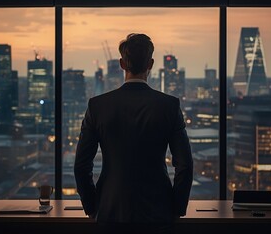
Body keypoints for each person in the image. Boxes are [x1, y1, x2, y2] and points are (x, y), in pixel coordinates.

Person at [74, 33, 193, 234]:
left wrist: (92, 207)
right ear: (151, 63)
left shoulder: (98, 106)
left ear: (121, 64)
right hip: (158, 213)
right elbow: (185, 165)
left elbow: (81, 165)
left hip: (110, 211)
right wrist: (177, 208)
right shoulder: (169, 106)